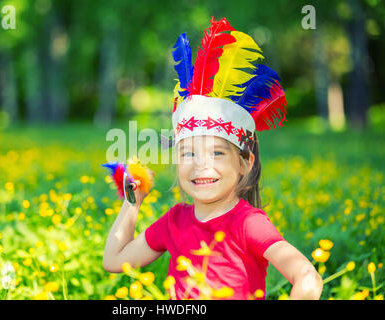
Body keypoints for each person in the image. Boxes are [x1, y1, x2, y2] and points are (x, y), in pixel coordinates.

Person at [103, 17, 323, 300]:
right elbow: (114, 261)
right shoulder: (174, 221)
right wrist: (134, 202)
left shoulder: (247, 223)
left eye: (217, 152)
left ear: (246, 163)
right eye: (188, 153)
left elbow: (308, 278)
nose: (200, 163)